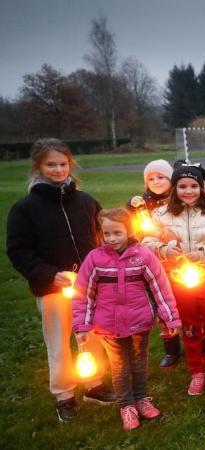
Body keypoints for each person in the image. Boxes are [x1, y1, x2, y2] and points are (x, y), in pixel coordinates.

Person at [6, 138, 117, 422]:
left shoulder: (86, 201)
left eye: (62, 164)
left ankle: (94, 385)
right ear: (39, 167)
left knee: (91, 337)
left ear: (70, 164)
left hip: (89, 286)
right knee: (58, 343)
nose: (57, 170)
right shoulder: (25, 209)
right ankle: (64, 394)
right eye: (50, 164)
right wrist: (48, 274)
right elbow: (19, 251)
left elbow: (104, 237)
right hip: (53, 290)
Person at [71, 208, 181, 430]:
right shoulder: (95, 259)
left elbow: (160, 289)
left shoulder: (144, 257)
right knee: (120, 365)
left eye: (117, 233)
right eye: (106, 233)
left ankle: (141, 399)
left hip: (140, 322)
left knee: (139, 362)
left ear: (129, 231)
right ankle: (126, 405)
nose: (111, 239)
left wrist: (170, 319)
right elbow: (83, 293)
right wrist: (82, 325)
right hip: (109, 326)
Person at [142, 162, 205, 396]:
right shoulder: (161, 214)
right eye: (182, 186)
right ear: (174, 188)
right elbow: (146, 241)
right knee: (190, 325)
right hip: (179, 279)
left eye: (193, 186)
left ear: (201, 187)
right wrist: (164, 249)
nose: (188, 191)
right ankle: (196, 369)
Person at [125, 159, 182, 370]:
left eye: (161, 177)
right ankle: (171, 347)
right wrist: (130, 210)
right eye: (151, 178)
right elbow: (131, 229)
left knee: (186, 301)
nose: (156, 181)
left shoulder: (180, 198)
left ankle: (198, 340)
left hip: (179, 258)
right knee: (162, 304)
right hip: (154, 262)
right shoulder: (140, 205)